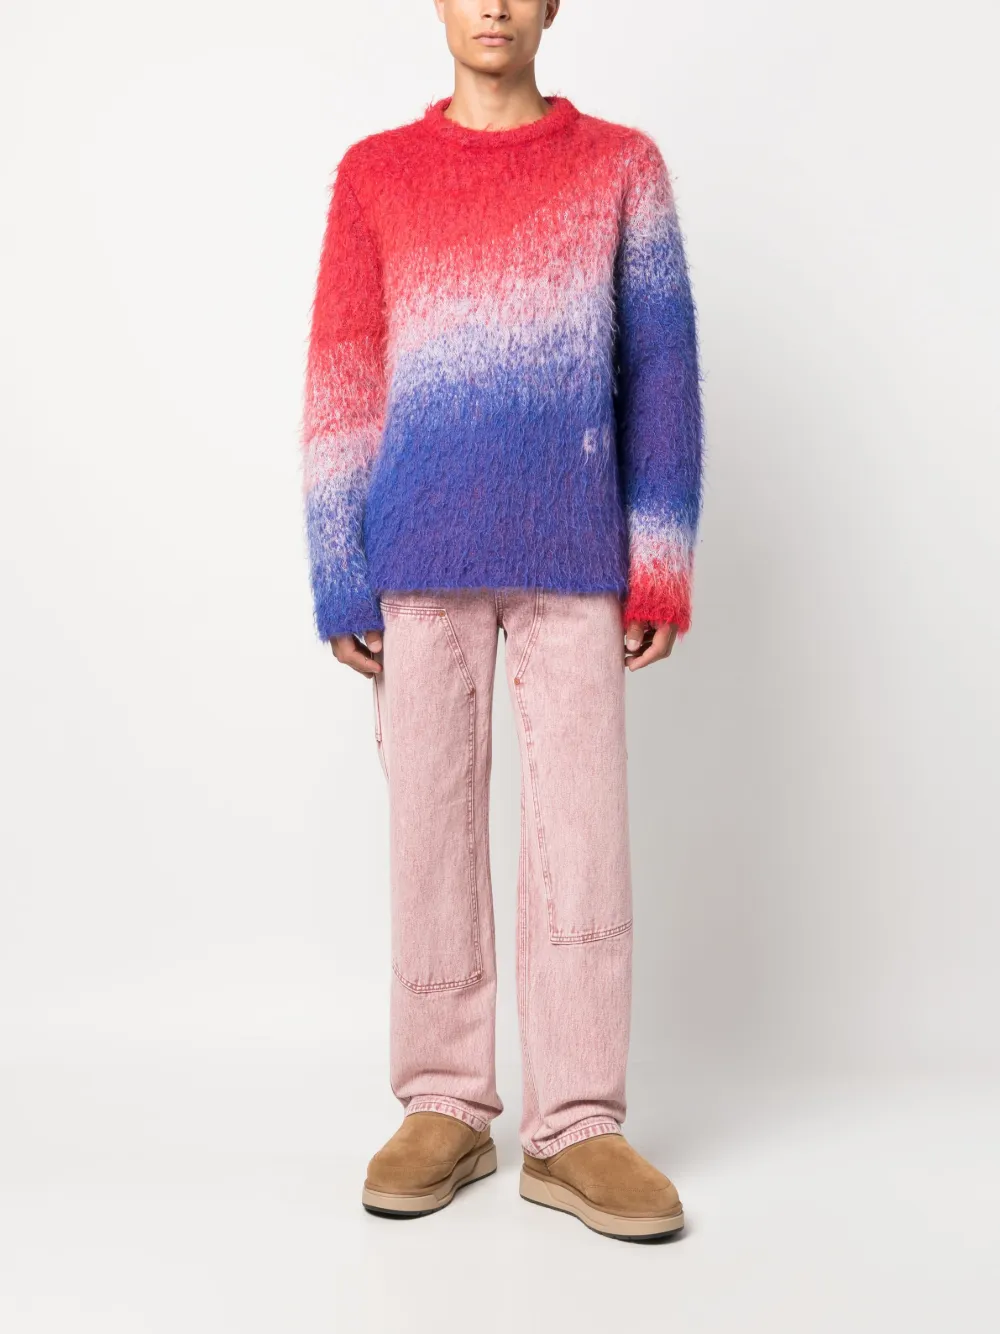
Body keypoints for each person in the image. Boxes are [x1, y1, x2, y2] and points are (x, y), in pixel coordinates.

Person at [299, 0, 703, 1242]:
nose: (493, 4)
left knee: (582, 835)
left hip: (575, 557)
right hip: (418, 559)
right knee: (429, 830)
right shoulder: (376, 174)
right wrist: (338, 563)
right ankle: (444, 1101)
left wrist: (659, 558)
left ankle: (576, 1120)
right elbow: (343, 373)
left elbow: (662, 374)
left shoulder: (620, 168)